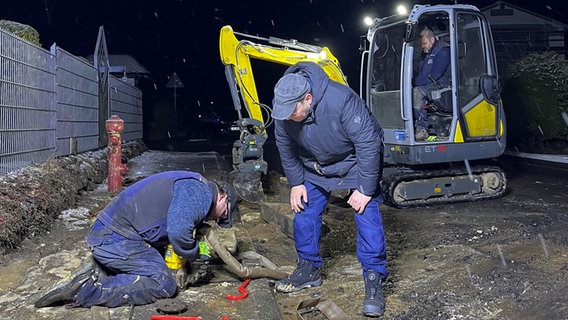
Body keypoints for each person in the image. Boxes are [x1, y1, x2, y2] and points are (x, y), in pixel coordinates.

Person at [271, 61, 388, 317]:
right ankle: (308, 268)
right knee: (303, 210)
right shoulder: (284, 107)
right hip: (315, 166)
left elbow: (368, 143)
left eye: (293, 111)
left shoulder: (340, 99)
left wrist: (366, 189)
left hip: (354, 162)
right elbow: (286, 148)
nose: (287, 117)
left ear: (308, 99)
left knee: (366, 213)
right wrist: (296, 182)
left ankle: (373, 276)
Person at [34, 170, 238, 308]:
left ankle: (103, 269)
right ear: (223, 197)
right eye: (223, 213)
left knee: (160, 263)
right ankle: (88, 288)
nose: (217, 219)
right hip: (115, 238)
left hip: (112, 232)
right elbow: (178, 232)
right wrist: (192, 253)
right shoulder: (201, 193)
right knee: (164, 284)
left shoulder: (193, 183)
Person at [413, 27, 450, 141]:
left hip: (441, 85)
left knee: (417, 92)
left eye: (425, 43)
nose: (423, 46)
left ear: (432, 40)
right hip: (430, 85)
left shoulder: (443, 50)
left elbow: (435, 74)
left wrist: (415, 82)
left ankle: (421, 128)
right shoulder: (427, 54)